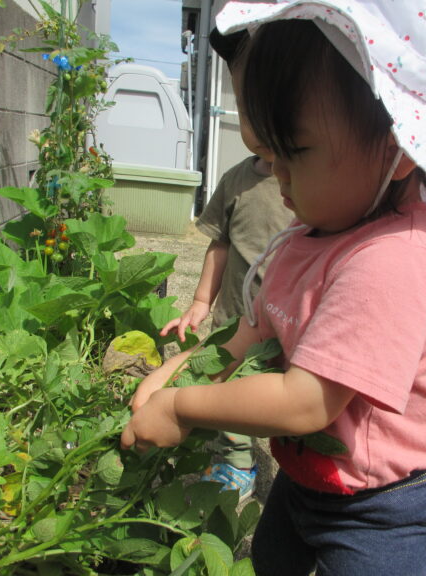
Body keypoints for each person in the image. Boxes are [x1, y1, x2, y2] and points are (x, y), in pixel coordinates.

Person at [122, 1, 426, 574]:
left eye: (294, 151)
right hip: (311, 473)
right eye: (268, 154)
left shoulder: (393, 260)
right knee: (271, 562)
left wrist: (183, 406)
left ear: (399, 146)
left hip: (384, 507)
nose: (275, 173)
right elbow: (250, 337)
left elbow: (305, 401)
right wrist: (175, 372)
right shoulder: (311, 231)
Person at [160, 29, 293, 500]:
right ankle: (235, 461)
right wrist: (201, 301)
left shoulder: (312, 184)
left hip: (287, 321)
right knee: (228, 381)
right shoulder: (236, 180)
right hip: (237, 314)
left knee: (279, 395)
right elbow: (220, 244)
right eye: (246, 108)